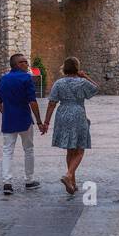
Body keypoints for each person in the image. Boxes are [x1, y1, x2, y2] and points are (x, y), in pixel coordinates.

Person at [43, 56, 98, 195]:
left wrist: (46, 122)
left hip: (63, 114)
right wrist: (85, 76)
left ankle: (72, 183)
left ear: (64, 68)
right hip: (78, 113)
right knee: (80, 150)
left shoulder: (59, 83)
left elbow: (51, 103)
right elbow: (95, 88)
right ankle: (68, 175)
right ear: (77, 68)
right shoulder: (82, 82)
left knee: (70, 149)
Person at [0, 53, 44, 195]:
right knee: (28, 149)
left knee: (7, 151)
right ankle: (29, 180)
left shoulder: (3, 79)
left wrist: (5, 113)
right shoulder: (26, 78)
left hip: (9, 120)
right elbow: (32, 101)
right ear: (18, 64)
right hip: (24, 120)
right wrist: (39, 121)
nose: (27, 64)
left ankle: (7, 182)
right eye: (24, 62)